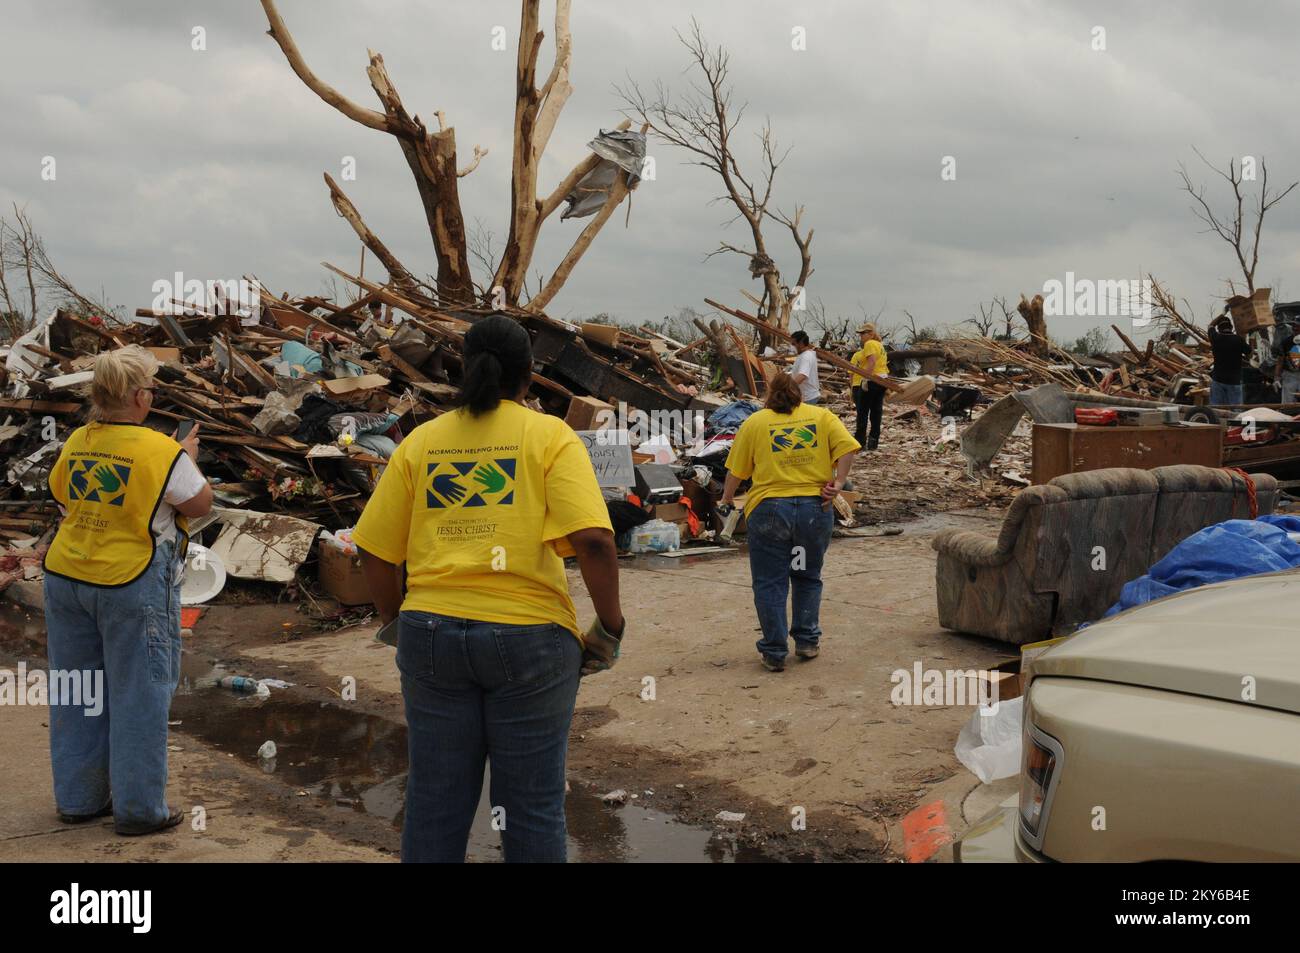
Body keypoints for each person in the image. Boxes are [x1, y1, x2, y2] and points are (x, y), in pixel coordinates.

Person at [353, 314, 625, 863]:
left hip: (431, 637)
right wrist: (611, 626)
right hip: (530, 639)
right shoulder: (549, 436)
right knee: (530, 803)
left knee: (434, 798)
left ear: (463, 368)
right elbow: (594, 539)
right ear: (528, 375)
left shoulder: (421, 442)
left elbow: (374, 550)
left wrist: (396, 622)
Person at [43, 345, 213, 835]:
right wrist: (187, 459)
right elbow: (200, 503)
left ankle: (78, 800)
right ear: (140, 397)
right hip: (131, 582)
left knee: (78, 690)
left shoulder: (78, 439)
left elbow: (61, 493)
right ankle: (140, 812)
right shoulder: (164, 451)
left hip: (66, 577)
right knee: (140, 693)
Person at [720, 371, 860, 672]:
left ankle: (774, 651)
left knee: (770, 582)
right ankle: (807, 641)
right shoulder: (821, 417)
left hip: (770, 511)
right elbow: (849, 447)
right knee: (807, 575)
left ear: (769, 394)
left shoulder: (755, 423)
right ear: (798, 393)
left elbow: (736, 471)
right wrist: (840, 481)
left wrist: (726, 499)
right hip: (813, 510)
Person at [850, 323, 889, 450]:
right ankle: (873, 442)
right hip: (882, 380)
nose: (861, 336)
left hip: (872, 380)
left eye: (863, 334)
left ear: (871, 334)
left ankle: (860, 442)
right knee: (876, 412)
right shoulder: (880, 345)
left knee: (862, 412)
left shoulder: (870, 344)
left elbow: (871, 362)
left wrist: (866, 378)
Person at [1209, 314, 1251, 406]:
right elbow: (1249, 354)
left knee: (1216, 410)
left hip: (1218, 380)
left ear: (1219, 328)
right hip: (1234, 381)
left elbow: (1211, 326)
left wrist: (1222, 313)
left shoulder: (1215, 338)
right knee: (1236, 411)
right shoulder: (1238, 340)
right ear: (1231, 327)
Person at [789, 331, 821, 405]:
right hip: (806, 397)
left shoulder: (806, 357)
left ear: (801, 343)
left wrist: (787, 387)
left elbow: (802, 375)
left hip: (808, 398)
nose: (792, 346)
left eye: (794, 344)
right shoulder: (803, 355)